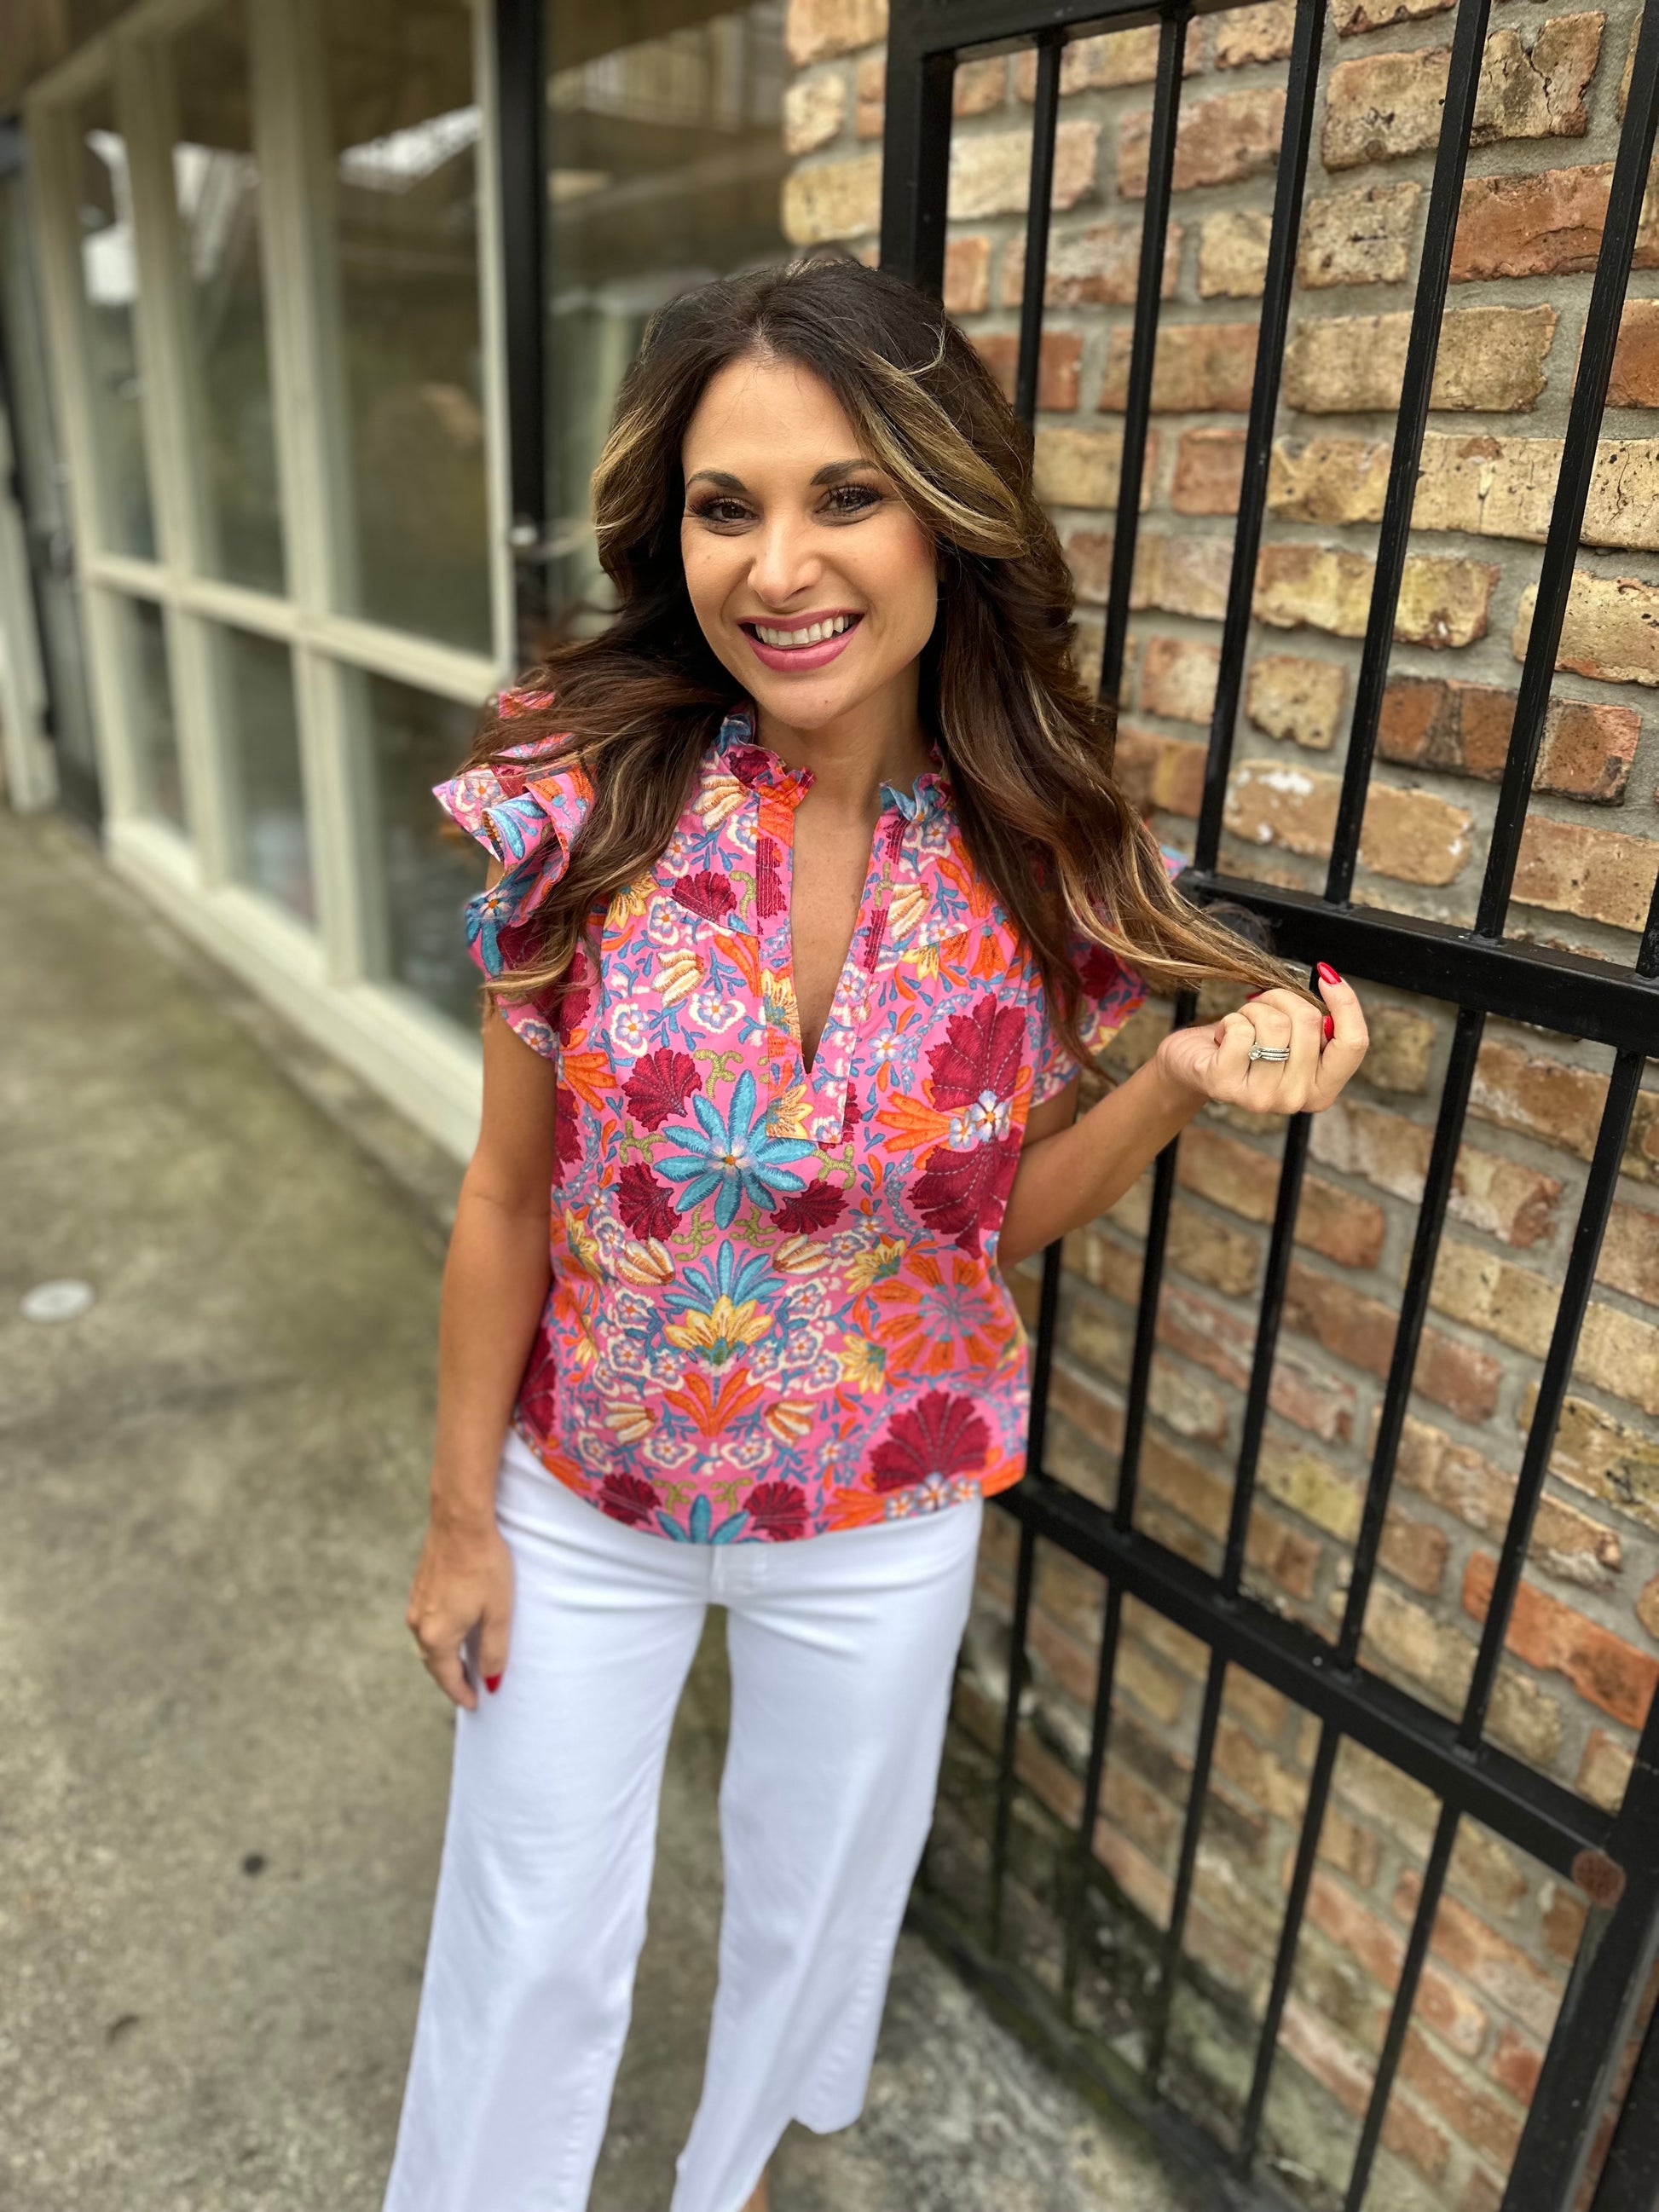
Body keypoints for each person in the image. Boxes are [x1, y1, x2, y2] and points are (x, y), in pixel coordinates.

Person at [383, 253, 1367, 2212]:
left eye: (845, 493)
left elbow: (989, 1223)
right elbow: (502, 1193)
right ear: (672, 539)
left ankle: (732, 2176)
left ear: (945, 511)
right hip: (588, 1491)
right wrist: (459, 1514)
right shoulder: (583, 810)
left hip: (883, 1505)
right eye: (724, 506)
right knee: (527, 1928)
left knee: (812, 1903)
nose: (779, 566)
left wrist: (1174, 1082)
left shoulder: (1046, 849)